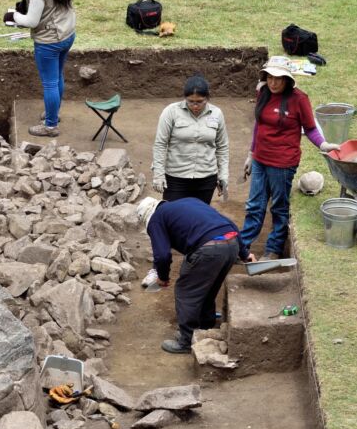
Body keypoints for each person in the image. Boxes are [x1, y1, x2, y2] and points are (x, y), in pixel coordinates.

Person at [240, 56, 340, 261]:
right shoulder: (263, 93)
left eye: (278, 78)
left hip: (283, 163)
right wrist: (251, 154)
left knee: (278, 205)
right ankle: (241, 247)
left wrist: (323, 144)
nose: (273, 82)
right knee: (254, 205)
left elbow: (310, 128)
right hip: (260, 158)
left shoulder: (299, 99)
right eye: (270, 77)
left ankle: (273, 249)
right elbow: (259, 126)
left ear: (287, 80)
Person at [136, 196, 256, 354]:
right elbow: (227, 222)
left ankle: (187, 340)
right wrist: (244, 252)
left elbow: (162, 255)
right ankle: (206, 326)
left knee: (186, 292)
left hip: (208, 249)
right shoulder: (189, 202)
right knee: (209, 288)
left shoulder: (156, 219)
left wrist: (163, 277)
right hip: (231, 243)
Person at [141, 75, 229, 287]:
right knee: (166, 224)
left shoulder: (216, 114)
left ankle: (194, 264)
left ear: (207, 99)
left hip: (205, 179)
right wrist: (159, 174)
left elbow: (223, 146)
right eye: (190, 102)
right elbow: (160, 144)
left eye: (199, 102)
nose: (195, 106)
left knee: (197, 223)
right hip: (176, 178)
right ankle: (158, 266)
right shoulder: (171, 112)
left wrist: (223, 174)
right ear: (184, 99)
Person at [4, 0, 76, 138]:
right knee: (58, 76)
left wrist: (13, 15)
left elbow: (32, 21)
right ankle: (54, 112)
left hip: (49, 42)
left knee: (50, 83)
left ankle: (50, 126)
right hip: (68, 34)